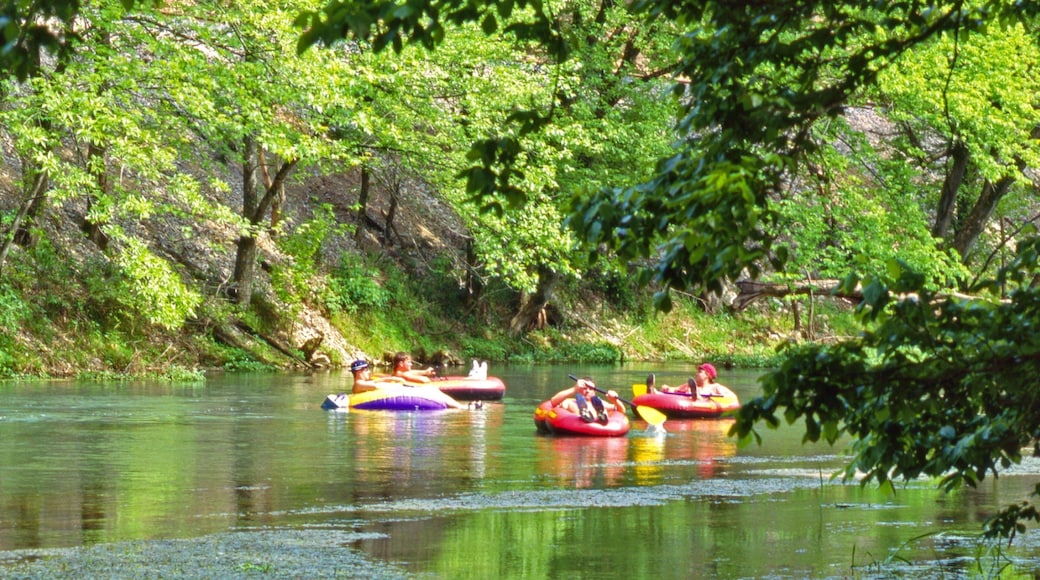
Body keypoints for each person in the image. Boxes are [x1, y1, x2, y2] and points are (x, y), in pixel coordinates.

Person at [549, 377, 624, 424]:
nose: (587, 391)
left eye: (590, 389)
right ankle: (585, 415)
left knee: (600, 406)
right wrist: (574, 389)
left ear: (594, 391)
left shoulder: (600, 403)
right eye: (585, 388)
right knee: (578, 406)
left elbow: (621, 411)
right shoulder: (570, 402)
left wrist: (615, 400)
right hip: (578, 424)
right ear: (579, 389)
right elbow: (553, 402)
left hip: (598, 425)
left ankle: (600, 417)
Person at [647, 363, 724, 397]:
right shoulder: (690, 385)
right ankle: (653, 391)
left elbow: (730, 397)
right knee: (668, 393)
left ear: (708, 375)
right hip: (682, 400)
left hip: (701, 403)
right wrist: (667, 388)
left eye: (700, 372)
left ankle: (695, 395)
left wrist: (713, 396)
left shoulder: (715, 387)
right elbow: (674, 389)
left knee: (696, 392)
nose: (696, 374)